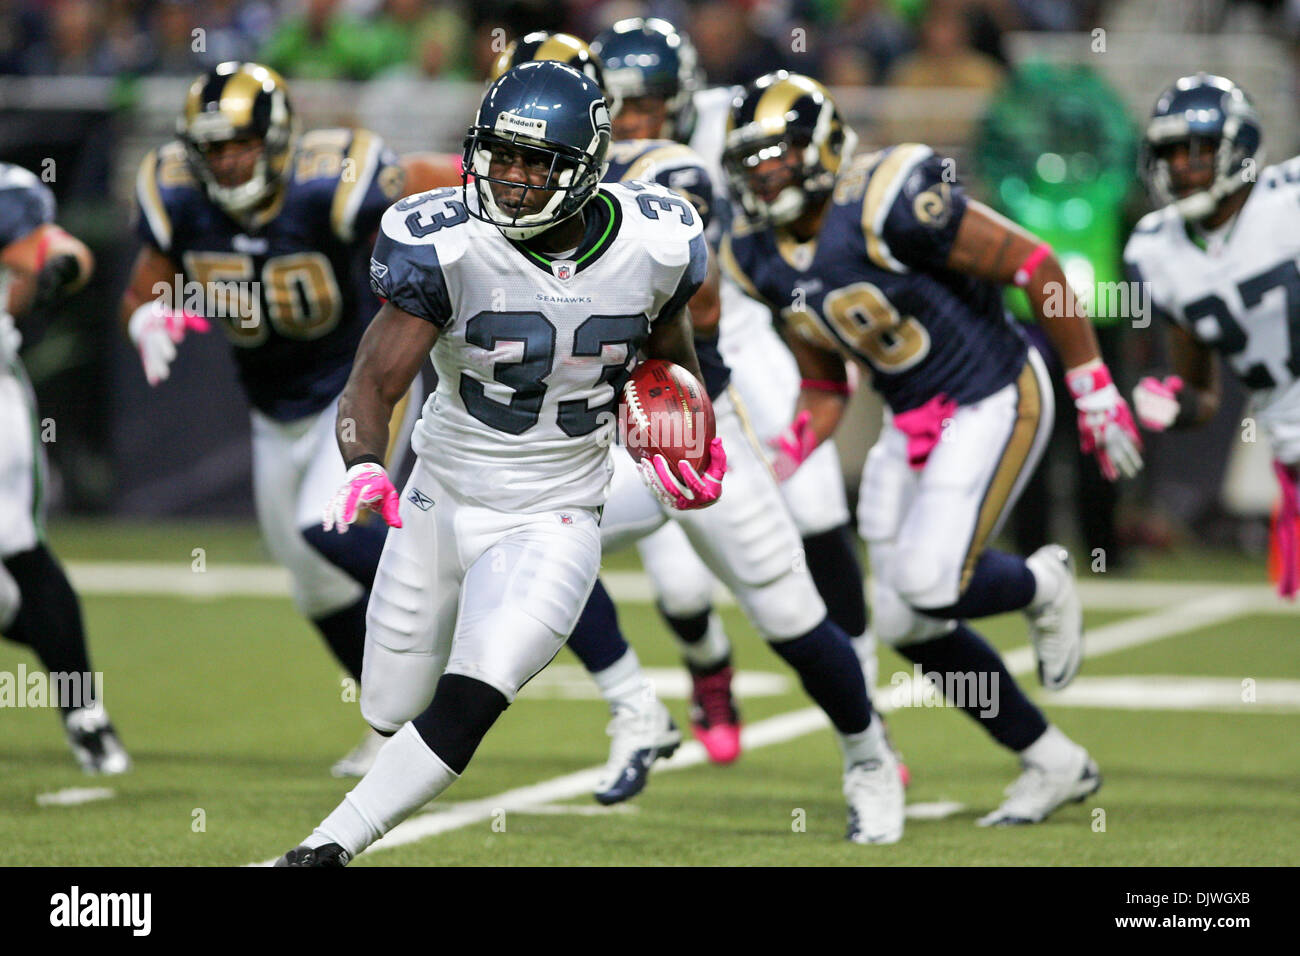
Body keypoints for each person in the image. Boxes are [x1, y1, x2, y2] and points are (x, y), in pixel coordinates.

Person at [276, 60, 735, 865]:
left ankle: (324, 849)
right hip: (439, 498)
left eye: (537, 163)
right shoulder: (447, 244)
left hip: (555, 514)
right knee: (389, 704)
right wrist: (361, 464)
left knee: (477, 687)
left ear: (586, 168)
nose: (512, 179)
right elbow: (373, 383)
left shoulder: (659, 243)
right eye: (502, 155)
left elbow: (672, 363)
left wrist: (683, 424)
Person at [722, 71, 1141, 825]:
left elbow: (1034, 265)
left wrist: (1092, 381)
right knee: (910, 622)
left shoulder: (888, 196)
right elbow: (825, 382)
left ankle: (1042, 582)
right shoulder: (758, 255)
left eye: (777, 154)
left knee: (930, 583)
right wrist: (783, 454)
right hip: (910, 418)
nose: (764, 173)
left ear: (821, 144)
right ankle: (1053, 761)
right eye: (751, 160)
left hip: (993, 391)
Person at [120, 61, 429, 776]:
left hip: (359, 385)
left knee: (327, 528)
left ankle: (448, 600)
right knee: (313, 581)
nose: (228, 161)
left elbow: (433, 191)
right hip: (273, 408)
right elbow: (142, 290)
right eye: (214, 148)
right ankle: (395, 727)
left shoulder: (334, 182)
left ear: (279, 137)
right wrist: (145, 320)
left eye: (241, 143)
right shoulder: (177, 199)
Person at [588, 17, 878, 772]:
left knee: (818, 512)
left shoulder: (734, 120)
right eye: (614, 106)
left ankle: (867, 702)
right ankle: (709, 669)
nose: (629, 123)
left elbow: (823, 143)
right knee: (680, 582)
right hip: (657, 361)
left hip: (747, 336)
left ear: (680, 98)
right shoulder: (587, 158)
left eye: (644, 105)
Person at [1125, 74, 1300, 595]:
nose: (1181, 166)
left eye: (1198, 150)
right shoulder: (1157, 252)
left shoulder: (1289, 200)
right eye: (1172, 153)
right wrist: (1173, 404)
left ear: (1239, 148)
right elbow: (1203, 392)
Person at [1, 161, 127, 773]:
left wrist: (50, 272)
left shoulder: (12, 193)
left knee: (18, 544)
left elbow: (69, 251)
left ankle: (85, 716)